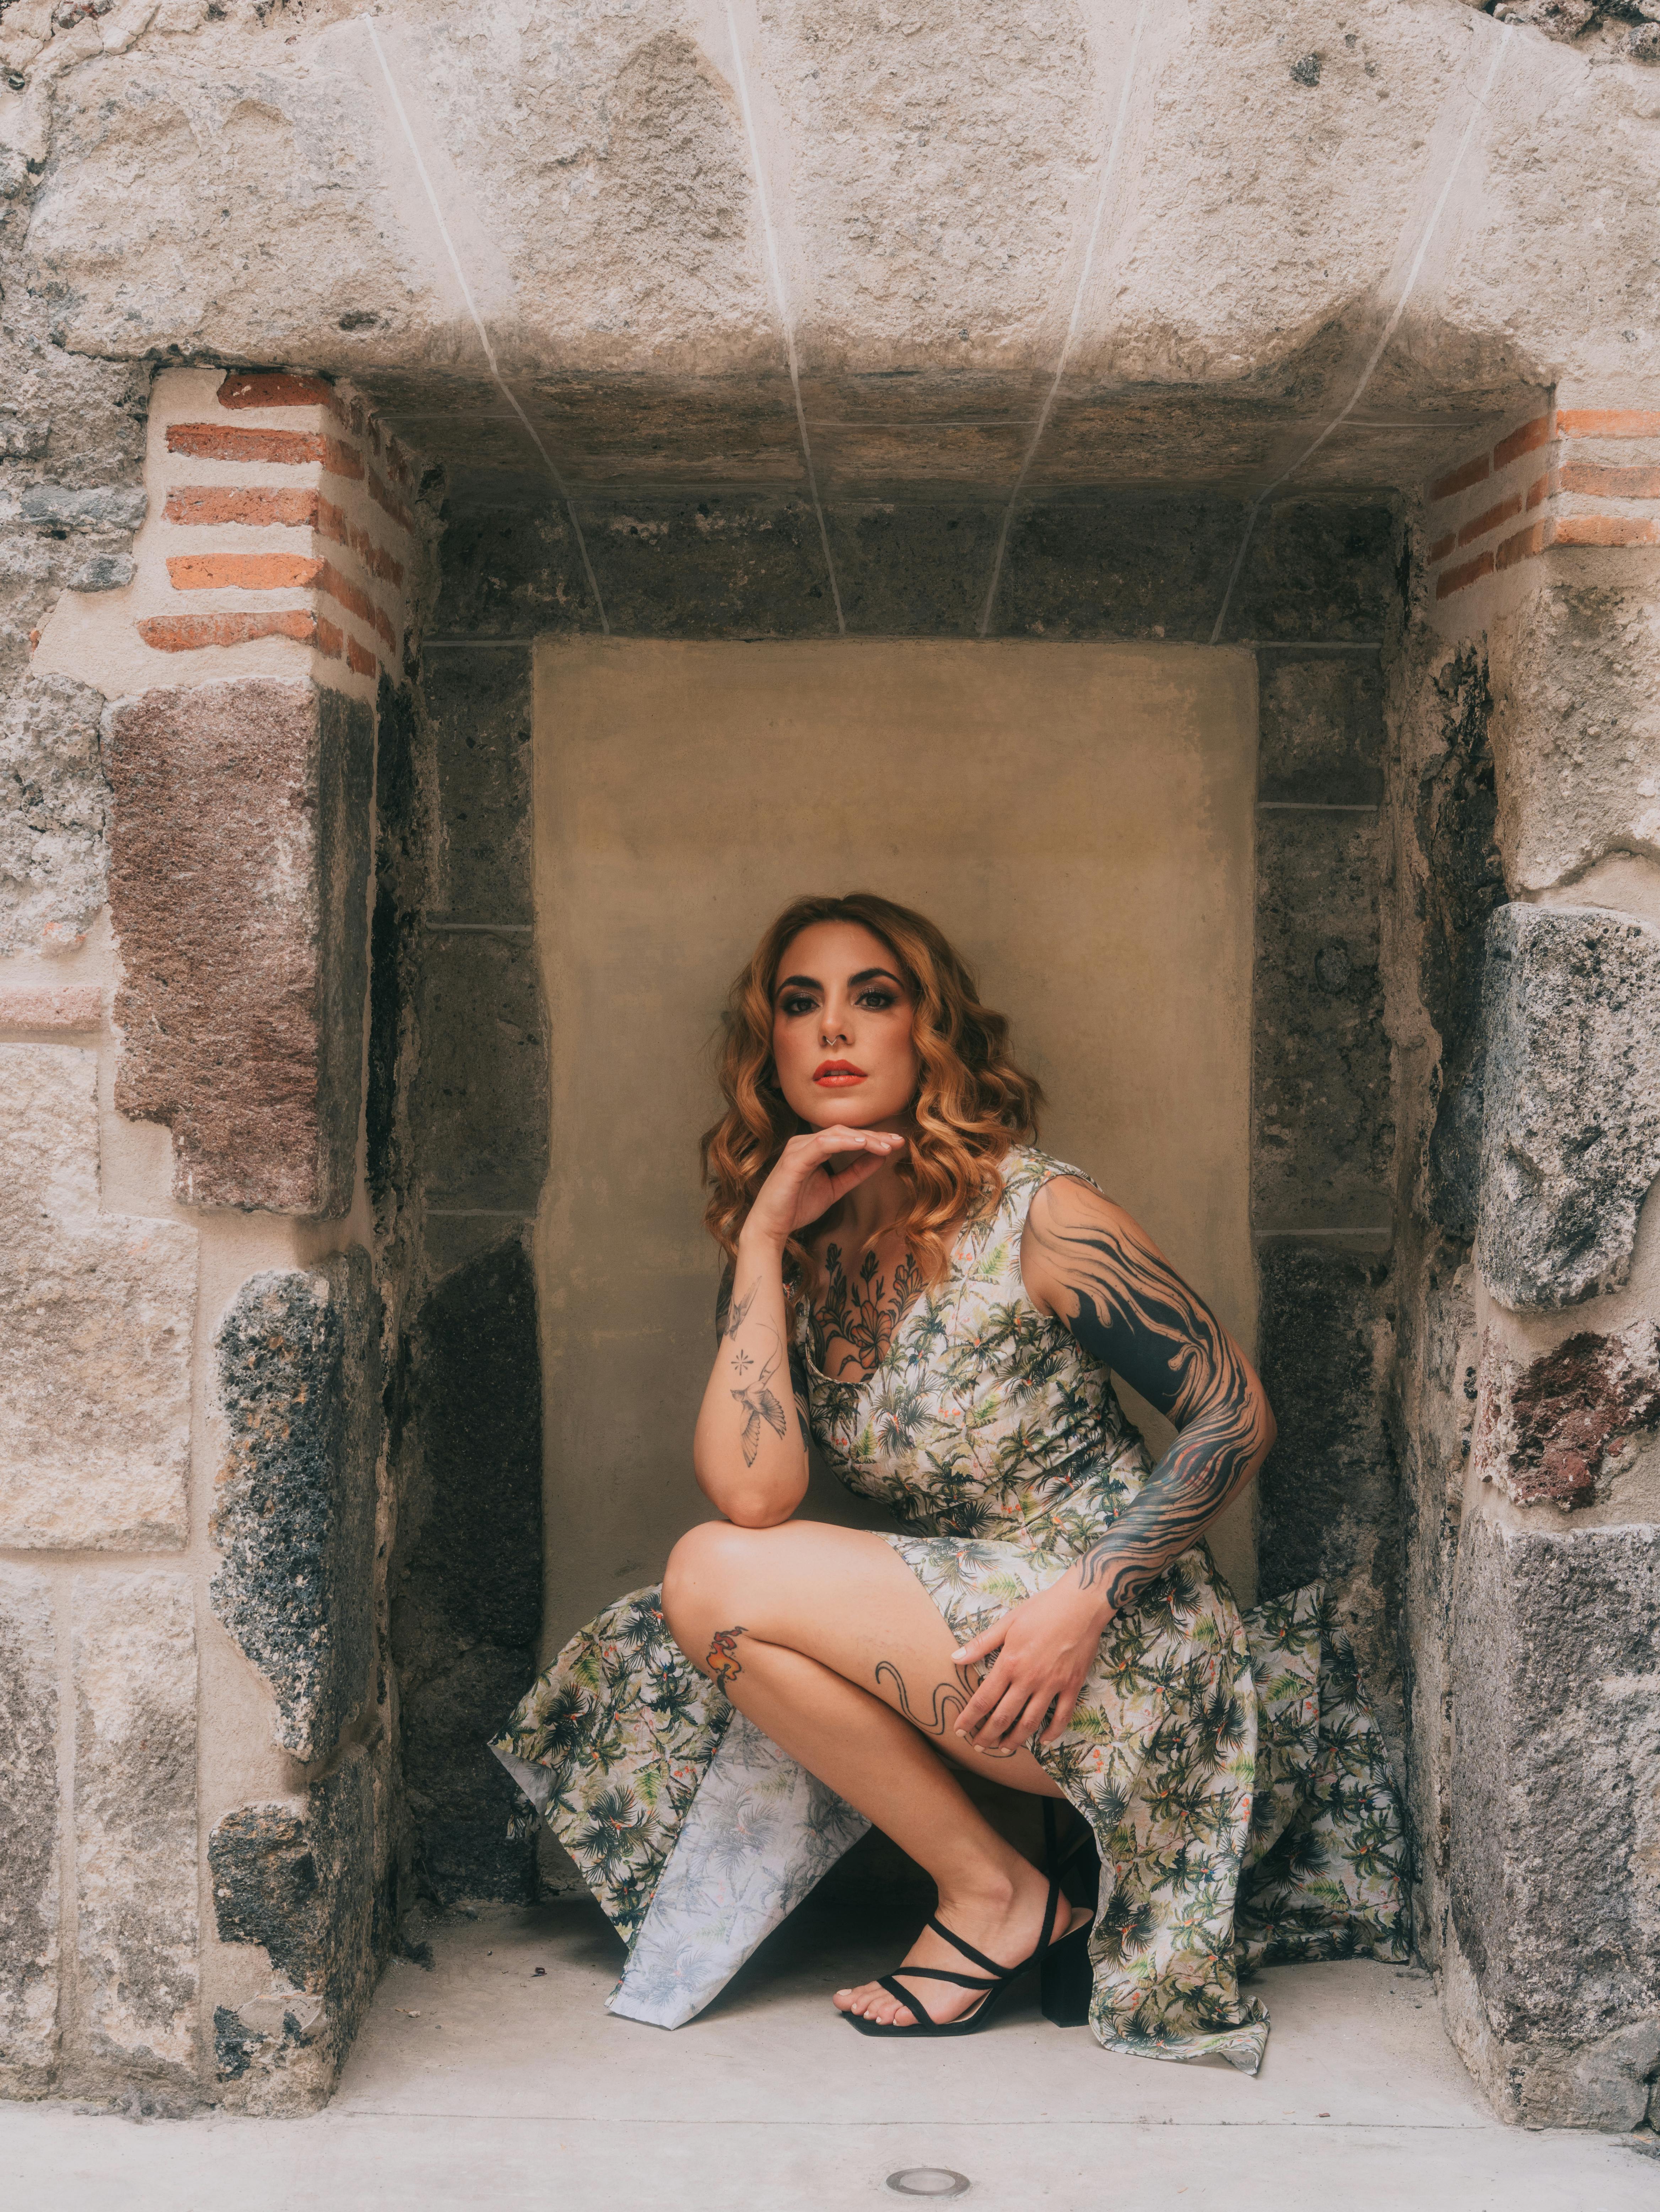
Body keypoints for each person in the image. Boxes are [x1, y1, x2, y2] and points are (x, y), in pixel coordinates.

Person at [491, 893, 1407, 2067]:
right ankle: (995, 1885)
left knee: (711, 1576)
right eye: (801, 1004)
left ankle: (990, 1898)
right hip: (975, 1623)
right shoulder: (802, 1253)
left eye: (873, 998)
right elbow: (755, 1497)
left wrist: (1085, 1599)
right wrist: (762, 1243)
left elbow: (1235, 1413)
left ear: (928, 1034)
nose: (834, 1029)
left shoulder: (1039, 1213)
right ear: (769, 1049)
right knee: (702, 1592)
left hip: (1119, 1636)